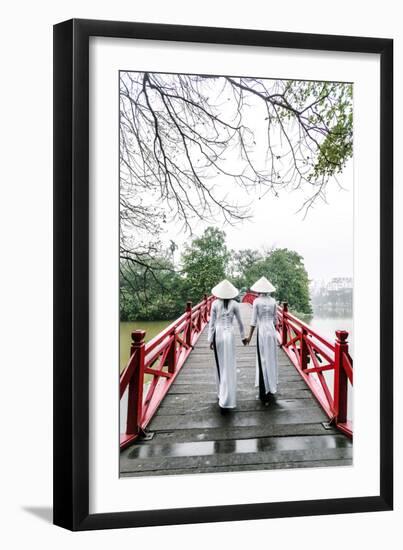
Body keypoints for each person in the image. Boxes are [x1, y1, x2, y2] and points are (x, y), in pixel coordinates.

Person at [207, 279, 248, 413]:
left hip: (218, 335)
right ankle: (228, 395)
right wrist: (243, 337)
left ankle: (221, 393)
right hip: (229, 335)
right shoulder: (235, 304)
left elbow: (211, 324)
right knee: (229, 365)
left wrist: (210, 340)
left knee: (220, 364)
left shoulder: (214, 304)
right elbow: (241, 323)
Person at [245, 276, 279, 405]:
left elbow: (253, 322)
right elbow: (276, 321)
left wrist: (249, 336)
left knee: (262, 360)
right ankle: (271, 388)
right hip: (271, 331)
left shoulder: (257, 301)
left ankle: (263, 392)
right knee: (271, 359)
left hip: (262, 331)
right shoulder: (273, 301)